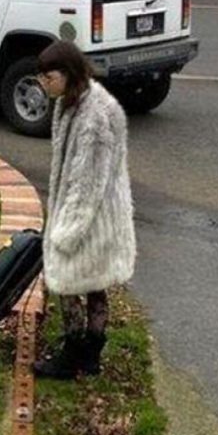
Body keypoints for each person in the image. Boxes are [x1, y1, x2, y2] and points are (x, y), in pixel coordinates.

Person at [33, 41, 136, 380]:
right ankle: (90, 354)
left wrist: (65, 232)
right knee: (93, 283)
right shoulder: (74, 101)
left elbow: (86, 183)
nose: (43, 84)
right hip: (99, 215)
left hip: (92, 218)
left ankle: (74, 355)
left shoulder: (93, 117)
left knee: (67, 282)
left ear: (67, 74)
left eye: (48, 77)